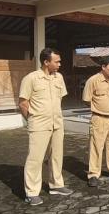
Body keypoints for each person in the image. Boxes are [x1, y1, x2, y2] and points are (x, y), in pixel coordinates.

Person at [18, 48, 74, 205]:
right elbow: (23, 103)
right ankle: (31, 192)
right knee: (35, 159)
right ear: (46, 62)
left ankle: (56, 185)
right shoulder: (31, 78)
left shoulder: (59, 77)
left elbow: (59, 99)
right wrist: (32, 120)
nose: (60, 64)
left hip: (57, 123)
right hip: (39, 125)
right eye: (57, 61)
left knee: (56, 156)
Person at [83, 57, 109, 188]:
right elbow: (86, 100)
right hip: (99, 118)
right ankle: (93, 174)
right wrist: (98, 109)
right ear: (103, 67)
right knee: (96, 147)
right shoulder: (93, 81)